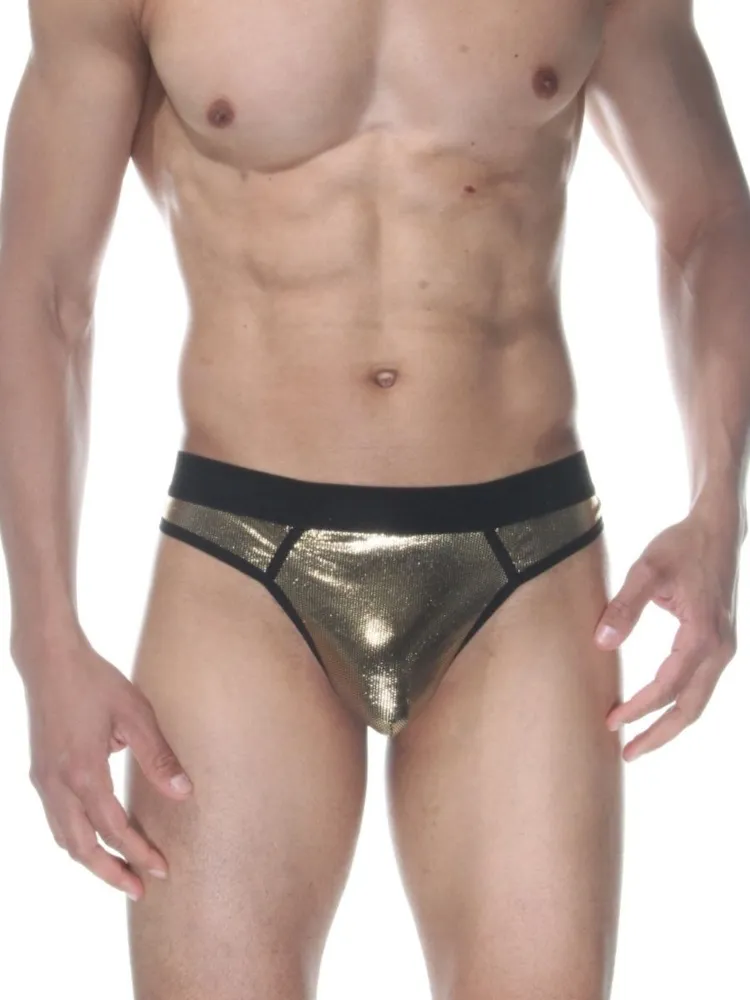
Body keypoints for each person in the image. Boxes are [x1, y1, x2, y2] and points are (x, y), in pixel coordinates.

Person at [0, 0, 747, 997]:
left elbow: (709, 218)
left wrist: (718, 509)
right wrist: (43, 639)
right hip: (242, 569)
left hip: (525, 570)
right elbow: (43, 289)